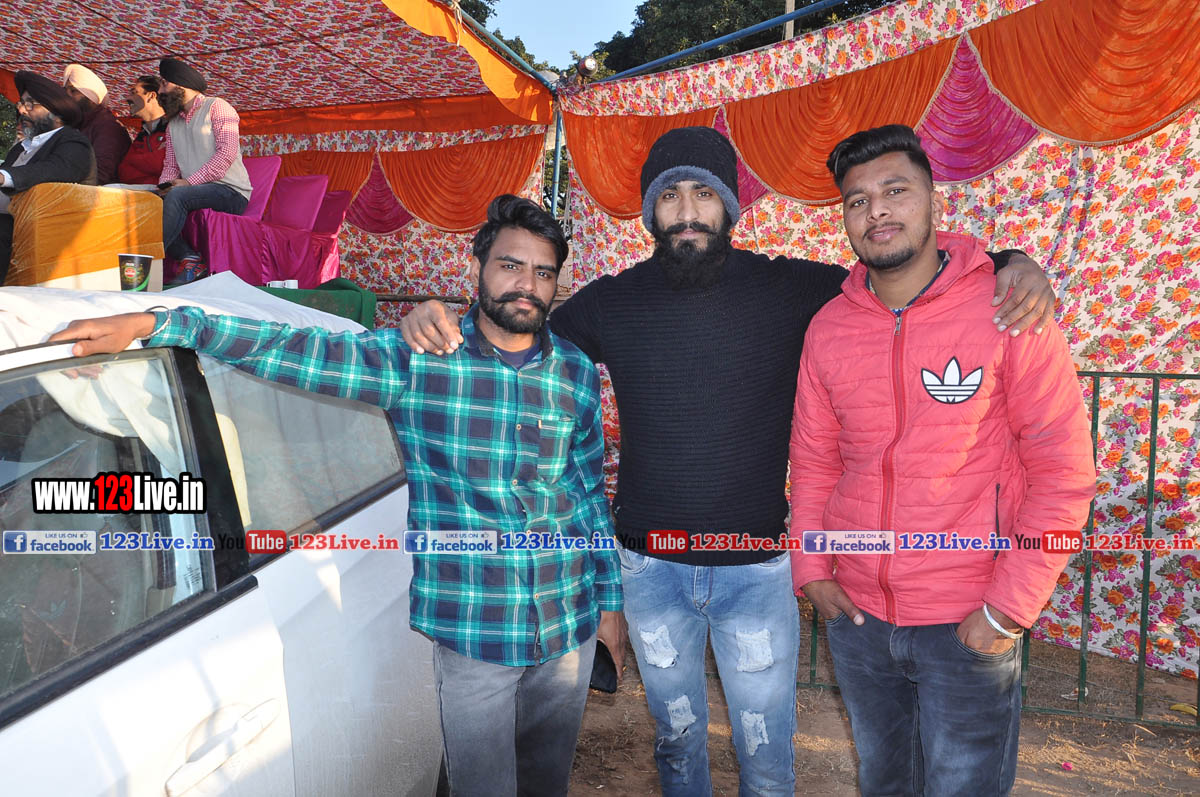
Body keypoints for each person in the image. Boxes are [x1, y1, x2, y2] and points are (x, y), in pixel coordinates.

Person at [397, 127, 1057, 795]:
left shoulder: (792, 288)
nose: (687, 211)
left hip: (755, 573)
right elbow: (511, 330)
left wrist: (1008, 261)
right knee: (677, 741)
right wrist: (434, 319)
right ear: (651, 212)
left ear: (730, 207)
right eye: (671, 196)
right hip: (650, 572)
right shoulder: (612, 301)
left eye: (704, 194)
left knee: (766, 754)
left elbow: (895, 272)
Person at [51, 195, 623, 797]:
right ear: (479, 268)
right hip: (477, 630)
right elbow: (290, 349)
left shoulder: (576, 372)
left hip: (568, 625)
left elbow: (588, 495)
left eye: (543, 272)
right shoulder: (420, 361)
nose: (526, 285)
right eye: (510, 265)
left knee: (547, 783)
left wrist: (609, 605)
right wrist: (157, 324)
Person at [790, 125, 1096, 796]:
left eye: (895, 190)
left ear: (932, 198)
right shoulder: (829, 328)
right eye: (857, 201)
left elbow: (1063, 472)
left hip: (969, 619)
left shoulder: (1008, 308)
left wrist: (1007, 610)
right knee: (885, 783)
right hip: (860, 620)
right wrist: (811, 568)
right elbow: (814, 463)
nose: (877, 212)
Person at [156, 57, 253, 284]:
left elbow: (226, 154)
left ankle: (146, 261)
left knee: (178, 196)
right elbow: (170, 166)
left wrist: (188, 183)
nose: (160, 91)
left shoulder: (217, 107)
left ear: (181, 85)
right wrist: (163, 188)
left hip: (230, 192)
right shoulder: (173, 124)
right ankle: (189, 258)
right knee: (149, 202)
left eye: (164, 84)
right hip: (194, 191)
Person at [0, 71, 97, 283]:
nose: (21, 110)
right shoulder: (21, 148)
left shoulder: (74, 142)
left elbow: (55, 169)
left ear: (55, 112)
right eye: (21, 103)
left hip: (43, 229)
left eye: (30, 104)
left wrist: (3, 177)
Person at [62, 63, 131, 185]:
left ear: (91, 97)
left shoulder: (108, 127)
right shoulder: (76, 124)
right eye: (65, 91)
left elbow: (101, 174)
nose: (67, 96)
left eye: (73, 91)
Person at [114, 76, 169, 186]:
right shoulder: (143, 134)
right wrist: (152, 158)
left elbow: (162, 165)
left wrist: (134, 161)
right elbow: (124, 171)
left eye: (134, 93)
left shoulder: (174, 129)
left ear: (151, 96)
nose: (128, 98)